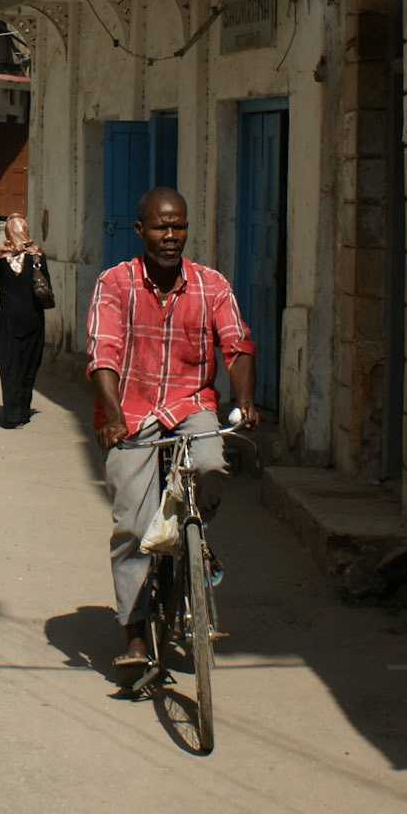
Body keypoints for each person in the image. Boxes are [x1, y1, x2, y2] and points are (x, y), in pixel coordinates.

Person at [86, 187, 259, 684]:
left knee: (211, 465)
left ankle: (196, 534)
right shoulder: (115, 284)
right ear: (140, 231)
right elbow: (104, 353)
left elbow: (237, 342)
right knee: (132, 528)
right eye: (161, 227)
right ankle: (135, 630)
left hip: (191, 406)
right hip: (134, 414)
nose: (170, 236)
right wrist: (114, 415)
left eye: (178, 226)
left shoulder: (211, 285)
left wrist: (243, 399)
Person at [0, 215, 52, 427]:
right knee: (29, 362)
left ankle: (11, 413)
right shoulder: (37, 255)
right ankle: (24, 408)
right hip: (32, 317)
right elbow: (46, 284)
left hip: (7, 318)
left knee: (9, 364)